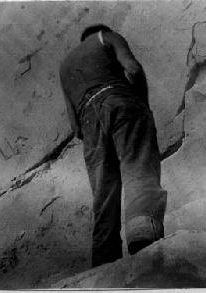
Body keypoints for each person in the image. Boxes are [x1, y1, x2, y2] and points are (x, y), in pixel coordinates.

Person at [59, 24, 167, 267]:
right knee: (138, 168)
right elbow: (133, 69)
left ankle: (104, 260)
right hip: (120, 101)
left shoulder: (64, 67)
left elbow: (74, 127)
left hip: (88, 123)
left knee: (103, 194)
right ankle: (143, 236)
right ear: (100, 31)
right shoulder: (106, 37)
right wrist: (142, 105)